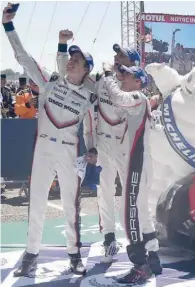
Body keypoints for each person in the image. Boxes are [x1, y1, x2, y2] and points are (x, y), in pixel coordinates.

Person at [3, 4, 97, 277]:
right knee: (37, 204)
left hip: (69, 153)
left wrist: (92, 149)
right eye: (71, 57)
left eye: (77, 60)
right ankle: (31, 256)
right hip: (43, 149)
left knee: (71, 205)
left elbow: (91, 127)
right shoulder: (49, 81)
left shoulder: (90, 95)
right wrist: (8, 26)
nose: (71, 61)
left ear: (86, 69)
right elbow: (23, 57)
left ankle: (74, 255)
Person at [59, 39, 143, 265]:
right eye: (116, 55)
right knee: (103, 192)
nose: (116, 58)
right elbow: (89, 112)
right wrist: (90, 145)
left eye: (122, 56)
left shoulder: (135, 85)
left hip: (126, 147)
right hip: (103, 145)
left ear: (133, 63)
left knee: (131, 195)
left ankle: (136, 238)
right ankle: (109, 238)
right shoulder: (101, 81)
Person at [101, 64, 162, 283]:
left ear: (138, 81)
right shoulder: (140, 100)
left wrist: (108, 76)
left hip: (136, 163)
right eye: (121, 74)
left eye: (127, 75)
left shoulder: (137, 96)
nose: (122, 77)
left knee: (130, 214)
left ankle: (140, 265)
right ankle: (153, 257)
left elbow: (117, 97)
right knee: (141, 210)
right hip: (138, 162)